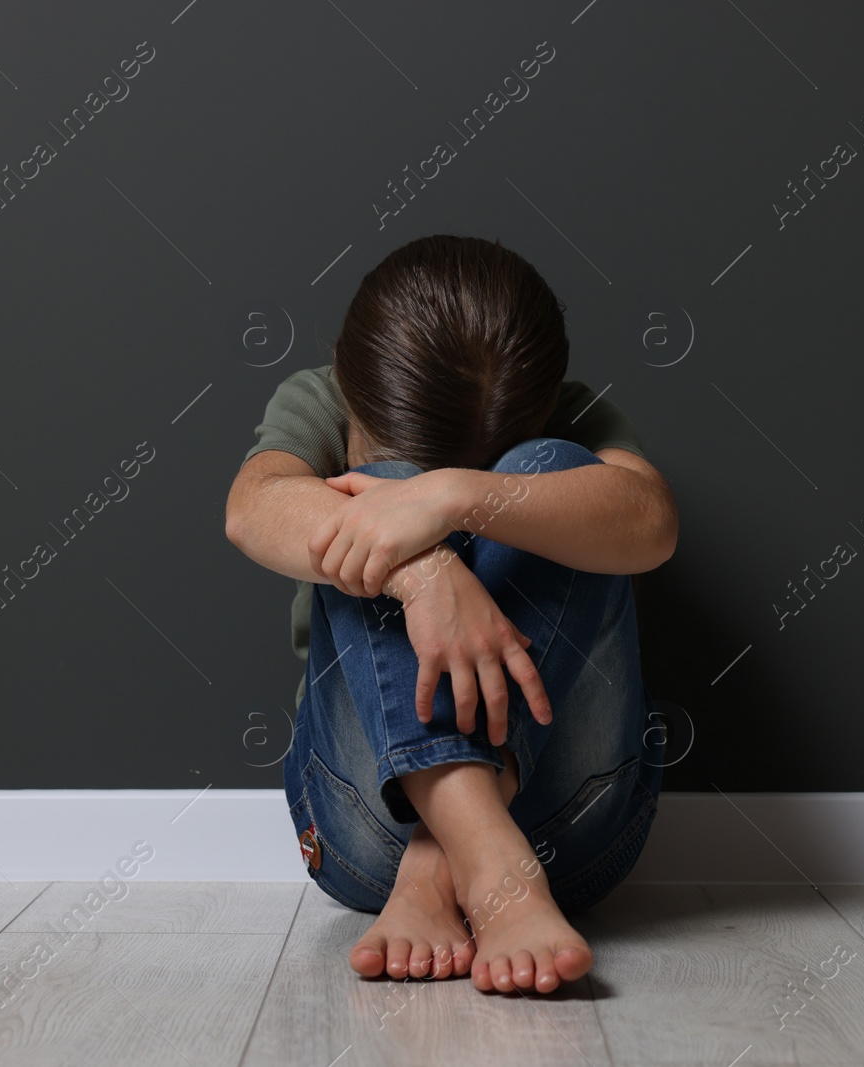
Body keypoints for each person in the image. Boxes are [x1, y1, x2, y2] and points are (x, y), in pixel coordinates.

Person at [225, 234, 677, 995]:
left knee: (560, 474)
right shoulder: (322, 399)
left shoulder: (568, 416)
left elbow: (651, 521)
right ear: (344, 372)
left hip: (568, 824)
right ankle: (492, 861)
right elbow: (251, 511)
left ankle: (446, 858)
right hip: (365, 829)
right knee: (369, 492)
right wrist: (421, 565)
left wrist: (455, 499)